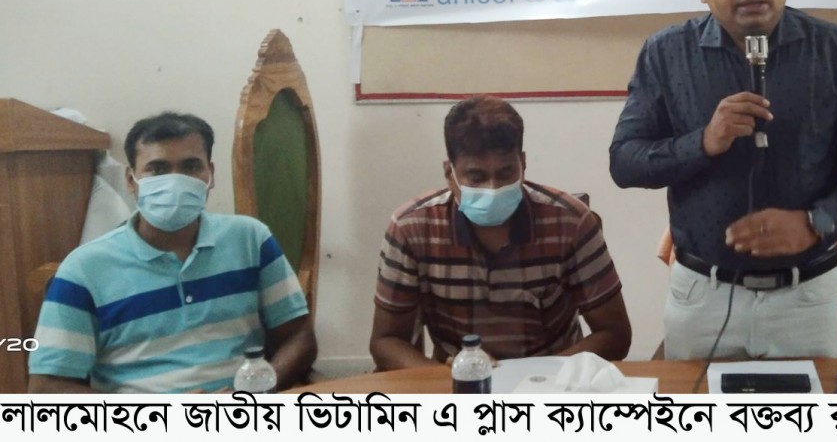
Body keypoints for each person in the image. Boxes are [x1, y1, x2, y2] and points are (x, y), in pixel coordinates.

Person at [609, 0, 837, 359]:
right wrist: (704, 142)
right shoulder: (667, 54)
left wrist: (817, 222)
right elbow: (625, 162)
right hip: (702, 296)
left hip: (809, 297)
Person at [28, 112, 316, 393]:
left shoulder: (251, 240)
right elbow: (47, 388)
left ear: (210, 175)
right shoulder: (84, 269)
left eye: (191, 167)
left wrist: (256, 391)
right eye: (158, 169)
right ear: (131, 180)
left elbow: (299, 337)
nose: (175, 181)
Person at [370, 96, 631, 367]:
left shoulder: (571, 223)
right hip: (456, 378)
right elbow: (386, 341)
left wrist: (538, 375)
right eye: (477, 177)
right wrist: (449, 376)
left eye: (506, 173)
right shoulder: (411, 228)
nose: (493, 188)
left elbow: (615, 335)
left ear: (523, 164)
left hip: (552, 378)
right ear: (449, 173)